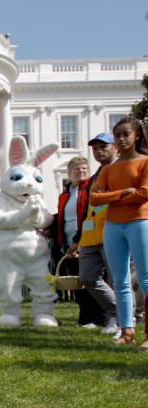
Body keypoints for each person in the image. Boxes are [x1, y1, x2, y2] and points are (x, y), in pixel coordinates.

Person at [90, 117, 148, 348]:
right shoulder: (108, 170)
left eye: (126, 134)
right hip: (113, 226)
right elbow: (95, 199)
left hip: (140, 222)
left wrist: (112, 197)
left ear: (137, 136)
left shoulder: (145, 163)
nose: (121, 139)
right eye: (117, 135)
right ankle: (126, 331)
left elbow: (144, 194)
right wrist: (122, 193)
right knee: (120, 281)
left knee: (145, 279)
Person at [67, 133, 120, 336]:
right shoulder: (94, 178)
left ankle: (119, 320)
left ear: (114, 147)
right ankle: (117, 313)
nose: (98, 151)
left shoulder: (120, 170)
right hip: (90, 236)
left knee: (117, 279)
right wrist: (77, 240)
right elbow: (87, 210)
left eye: (103, 147)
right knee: (87, 277)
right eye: (95, 148)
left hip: (113, 231)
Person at [54, 156, 106, 328]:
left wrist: (81, 239)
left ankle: (97, 317)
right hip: (69, 244)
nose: (81, 171)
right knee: (77, 282)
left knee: (90, 280)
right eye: (77, 169)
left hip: (88, 241)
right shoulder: (64, 195)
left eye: (84, 168)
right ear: (69, 173)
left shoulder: (90, 190)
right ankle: (84, 317)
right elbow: (62, 218)